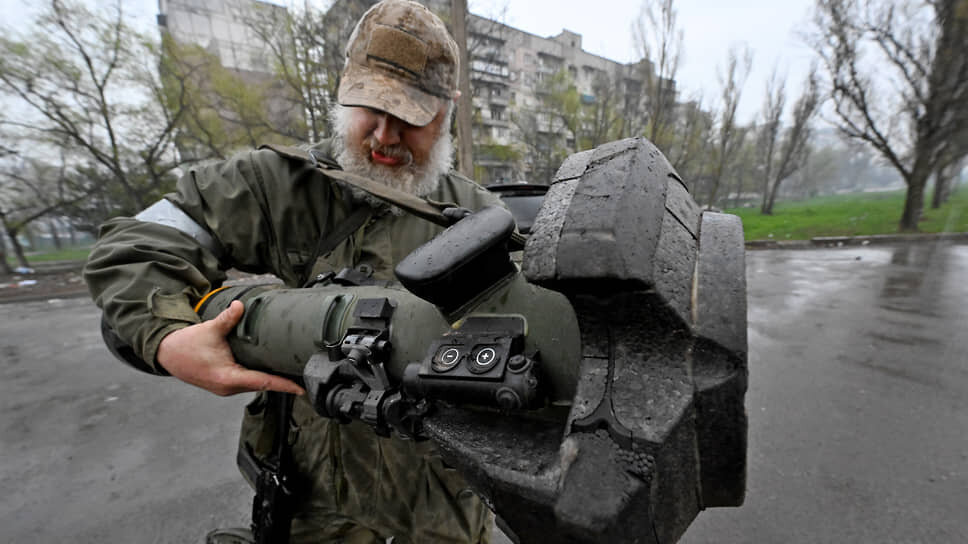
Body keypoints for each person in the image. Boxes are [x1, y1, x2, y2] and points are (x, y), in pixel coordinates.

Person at [84, 1, 502, 542]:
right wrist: (167, 338)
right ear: (343, 92)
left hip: (439, 504)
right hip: (314, 496)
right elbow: (137, 243)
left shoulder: (481, 219)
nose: (384, 136)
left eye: (410, 116)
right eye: (369, 108)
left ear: (449, 111)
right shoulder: (282, 185)